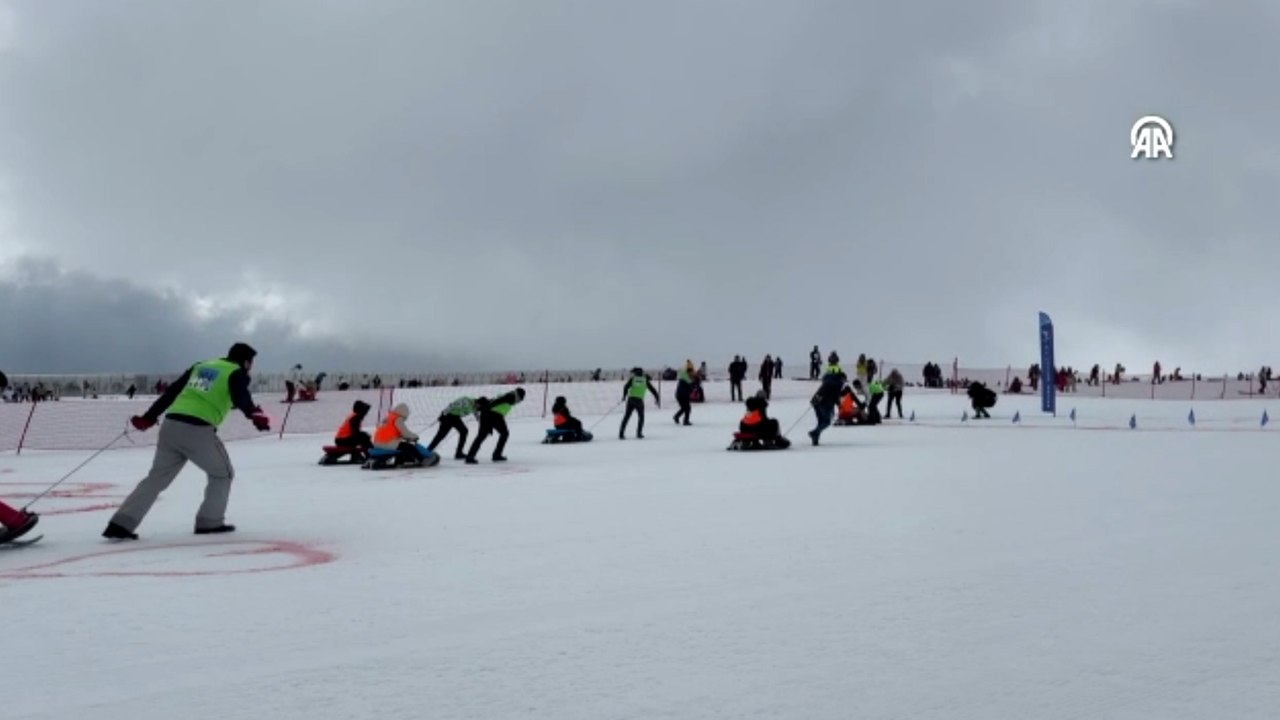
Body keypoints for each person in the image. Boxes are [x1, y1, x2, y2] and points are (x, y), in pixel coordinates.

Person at [102, 342, 270, 540]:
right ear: (246, 361)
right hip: (197, 429)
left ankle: (121, 524)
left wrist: (149, 417)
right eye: (251, 362)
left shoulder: (201, 366)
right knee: (222, 474)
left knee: (156, 478)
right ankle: (210, 521)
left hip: (170, 426)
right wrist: (254, 414)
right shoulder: (236, 372)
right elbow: (241, 395)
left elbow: (172, 392)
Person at [466, 388, 525, 463]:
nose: (519, 402)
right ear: (519, 396)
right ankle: (497, 454)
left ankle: (470, 456)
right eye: (520, 400)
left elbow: (493, 400)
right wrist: (486, 408)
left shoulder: (509, 395)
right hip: (494, 415)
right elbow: (497, 401)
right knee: (504, 433)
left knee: (481, 436)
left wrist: (482, 409)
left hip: (487, 414)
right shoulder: (511, 396)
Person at [427, 396, 478, 460]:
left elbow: (476, 414)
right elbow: (451, 405)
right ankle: (427, 452)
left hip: (456, 418)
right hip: (448, 416)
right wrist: (443, 414)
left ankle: (459, 453)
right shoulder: (466, 401)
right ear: (477, 402)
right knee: (440, 435)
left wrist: (481, 422)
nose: (478, 408)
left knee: (464, 431)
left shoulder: (475, 406)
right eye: (478, 406)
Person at [809, 364, 846, 445]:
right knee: (826, 421)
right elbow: (835, 395)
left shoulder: (828, 380)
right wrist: (839, 405)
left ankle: (815, 438)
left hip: (816, 401)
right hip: (825, 403)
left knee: (821, 421)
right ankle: (815, 433)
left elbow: (826, 391)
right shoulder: (838, 382)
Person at [619, 367, 660, 439]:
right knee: (641, 417)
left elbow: (625, 386)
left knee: (626, 417)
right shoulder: (645, 380)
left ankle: (621, 433)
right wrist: (657, 398)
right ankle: (639, 433)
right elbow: (653, 390)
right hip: (639, 400)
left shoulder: (633, 379)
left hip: (631, 399)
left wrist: (624, 396)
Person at [673, 360, 696, 426]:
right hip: (683, 396)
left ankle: (676, 417)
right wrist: (692, 388)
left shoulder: (683, 377)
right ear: (689, 372)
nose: (692, 374)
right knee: (687, 408)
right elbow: (689, 388)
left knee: (684, 408)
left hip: (679, 395)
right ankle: (686, 421)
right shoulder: (686, 379)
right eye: (691, 372)